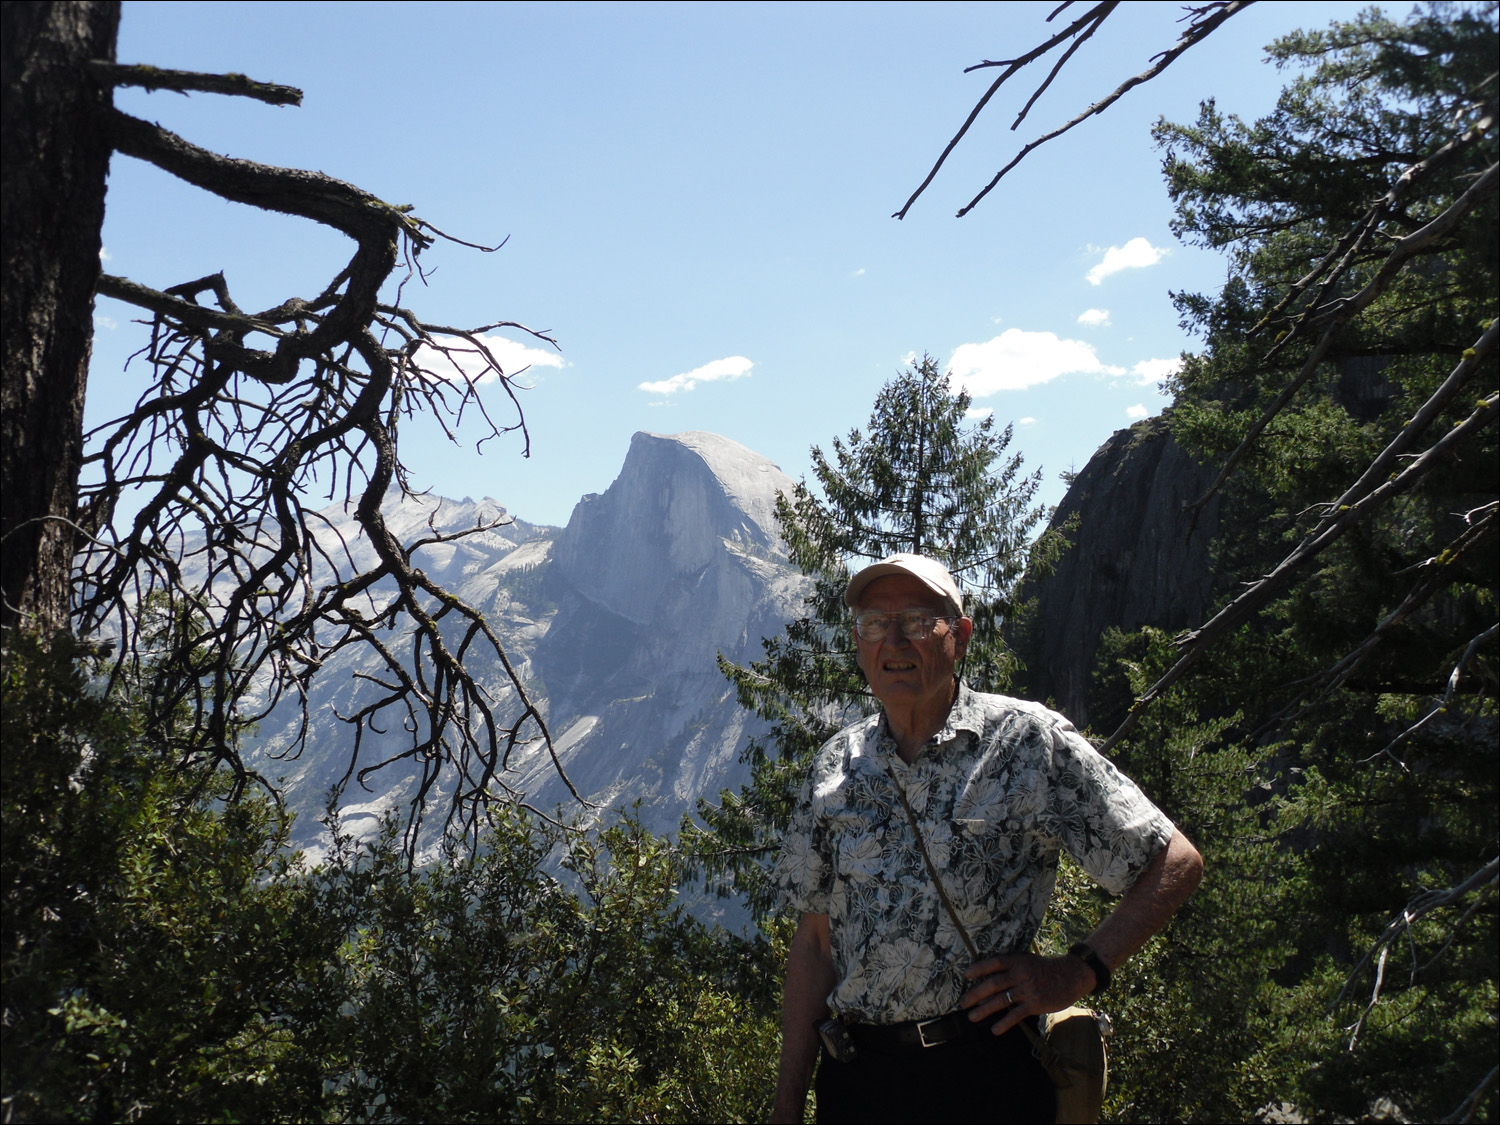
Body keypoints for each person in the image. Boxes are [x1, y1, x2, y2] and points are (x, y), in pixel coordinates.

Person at [768, 553, 1204, 1124]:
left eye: (920, 621)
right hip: (859, 1082)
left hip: (987, 1076)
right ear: (858, 641)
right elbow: (814, 948)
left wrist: (1077, 972)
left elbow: (1175, 861)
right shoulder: (836, 766)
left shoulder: (1027, 743)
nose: (894, 641)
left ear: (961, 636)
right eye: (875, 622)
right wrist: (785, 1108)